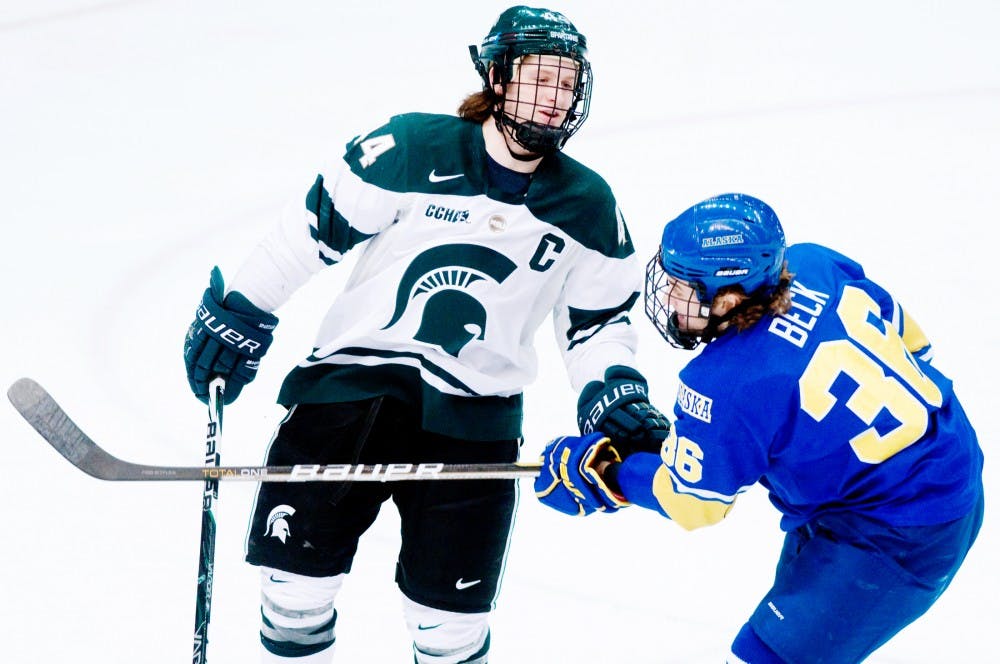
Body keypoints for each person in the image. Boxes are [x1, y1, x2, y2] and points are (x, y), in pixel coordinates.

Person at [182, 6, 668, 663]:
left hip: (477, 422)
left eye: (566, 83)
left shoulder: (586, 203)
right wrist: (243, 310)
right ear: (496, 76)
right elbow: (311, 231)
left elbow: (598, 324)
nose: (555, 98)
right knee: (293, 600)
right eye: (539, 78)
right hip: (347, 392)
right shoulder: (412, 148)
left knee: (451, 632)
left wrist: (613, 394)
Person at [534, 193, 985, 663]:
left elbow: (694, 503)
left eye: (682, 285)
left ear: (727, 298)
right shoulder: (816, 266)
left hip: (900, 531)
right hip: (944, 454)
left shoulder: (726, 384)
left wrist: (608, 474)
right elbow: (915, 344)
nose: (668, 295)